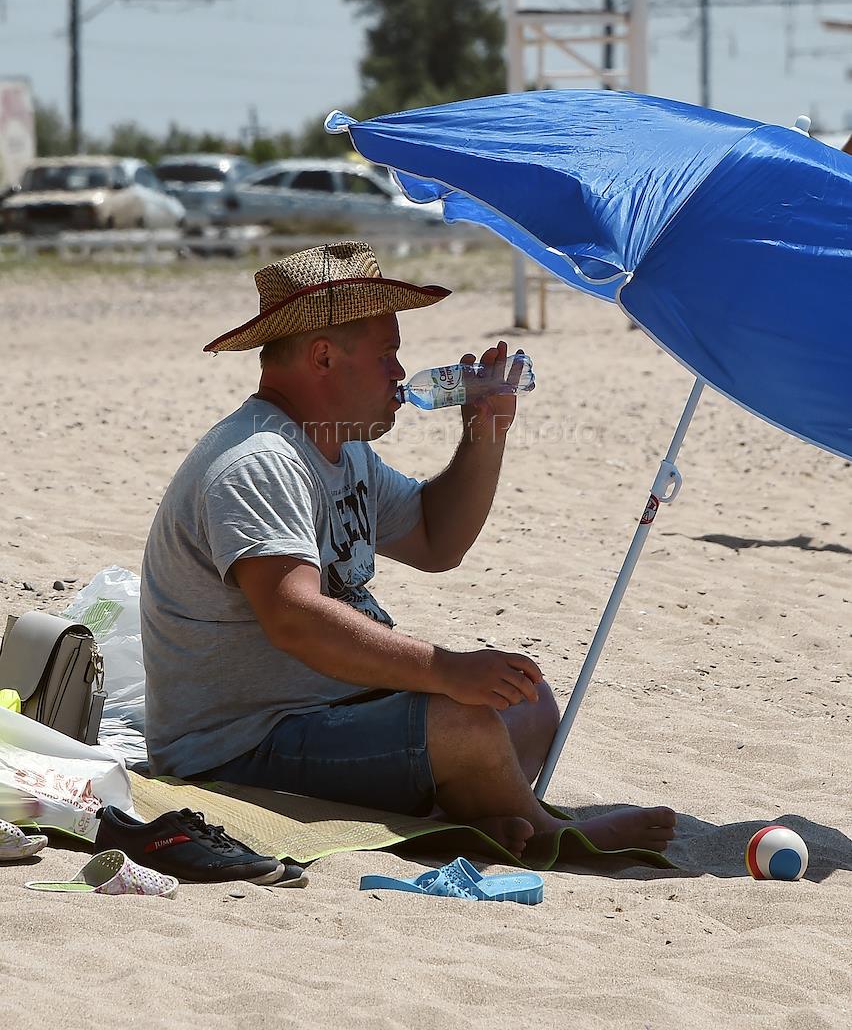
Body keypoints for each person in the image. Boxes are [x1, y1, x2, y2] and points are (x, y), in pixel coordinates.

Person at [141, 241, 675, 859]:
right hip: (239, 745)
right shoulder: (260, 460)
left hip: (333, 708)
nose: (400, 373)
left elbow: (434, 539)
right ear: (323, 356)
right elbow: (294, 618)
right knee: (465, 723)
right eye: (387, 355)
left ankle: (468, 807)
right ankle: (543, 831)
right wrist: (445, 670)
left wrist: (485, 430)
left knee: (524, 702)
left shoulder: (340, 447)